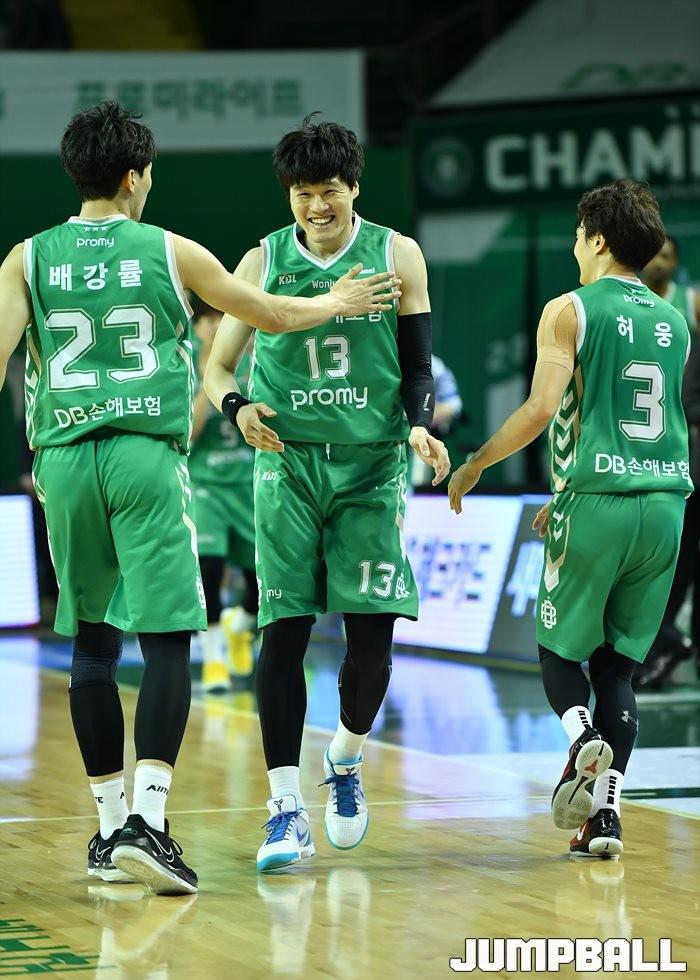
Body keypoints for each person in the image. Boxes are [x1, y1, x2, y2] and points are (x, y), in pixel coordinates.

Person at [0, 101, 400, 895]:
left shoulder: (25, 258)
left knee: (90, 645)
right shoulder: (170, 249)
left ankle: (108, 831)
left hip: (63, 460)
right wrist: (336, 303)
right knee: (167, 640)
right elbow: (269, 314)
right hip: (145, 456)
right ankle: (149, 822)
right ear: (135, 177)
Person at [205, 116, 451, 873]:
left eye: (331, 191)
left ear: (355, 189)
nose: (317, 206)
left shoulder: (397, 254)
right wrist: (236, 408)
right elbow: (217, 368)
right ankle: (284, 808)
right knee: (283, 632)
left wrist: (419, 425)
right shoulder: (262, 260)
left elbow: (418, 367)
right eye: (304, 193)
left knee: (372, 637)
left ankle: (345, 756)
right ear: (289, 193)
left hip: (372, 465)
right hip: (288, 465)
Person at [448, 179, 692, 858]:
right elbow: (638, 421)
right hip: (665, 505)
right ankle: (604, 818)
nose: (574, 247)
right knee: (618, 669)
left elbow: (539, 409)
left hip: (598, 504)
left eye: (579, 236)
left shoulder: (568, 309)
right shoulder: (675, 321)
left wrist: (476, 463)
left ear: (599, 240)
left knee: (558, 653)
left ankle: (581, 736)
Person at [189, 300, 258, 693]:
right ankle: (214, 659)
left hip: (247, 484)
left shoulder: (249, 365)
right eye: (208, 320)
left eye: (221, 318)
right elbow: (189, 433)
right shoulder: (184, 367)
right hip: (206, 486)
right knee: (209, 572)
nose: (215, 326)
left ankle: (240, 627)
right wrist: (208, 383)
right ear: (197, 327)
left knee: (261, 582)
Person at [642, 236, 700, 332]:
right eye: (652, 256)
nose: (658, 263)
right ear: (641, 260)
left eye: (665, 256)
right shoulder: (627, 298)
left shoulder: (692, 301)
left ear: (675, 261)